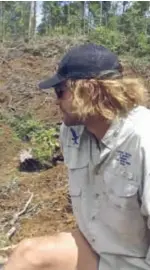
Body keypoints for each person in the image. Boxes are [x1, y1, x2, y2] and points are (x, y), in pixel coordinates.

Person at [4, 43, 150, 270]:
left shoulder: (143, 139)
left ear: (88, 91)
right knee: (27, 255)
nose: (56, 100)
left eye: (60, 91)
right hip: (101, 249)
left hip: (137, 262)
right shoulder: (72, 131)